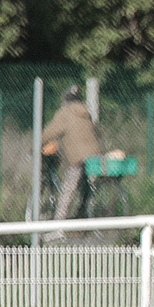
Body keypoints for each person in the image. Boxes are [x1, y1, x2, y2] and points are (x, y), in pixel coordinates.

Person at [41, 86, 100, 224]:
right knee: (85, 184)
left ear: (65, 101)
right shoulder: (86, 112)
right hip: (95, 154)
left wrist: (35, 145)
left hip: (79, 157)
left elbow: (51, 132)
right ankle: (82, 212)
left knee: (68, 188)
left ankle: (58, 225)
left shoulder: (65, 113)